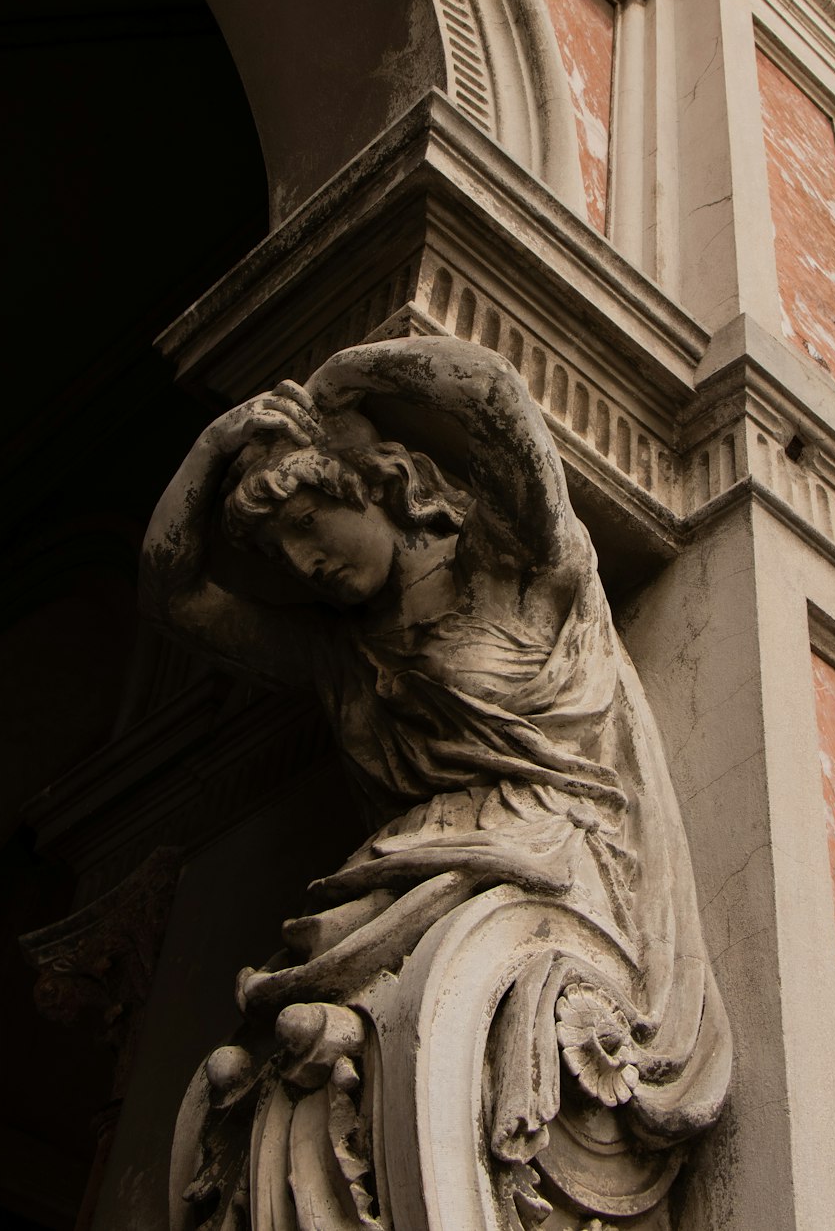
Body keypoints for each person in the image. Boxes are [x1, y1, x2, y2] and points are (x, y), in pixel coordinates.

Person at [142, 336, 729, 1206]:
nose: (304, 563)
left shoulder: (517, 564)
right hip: (414, 866)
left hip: (548, 849)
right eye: (280, 555)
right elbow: (174, 594)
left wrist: (344, 376)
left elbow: (495, 397)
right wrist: (211, 447)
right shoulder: (336, 651)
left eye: (307, 525)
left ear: (382, 484)